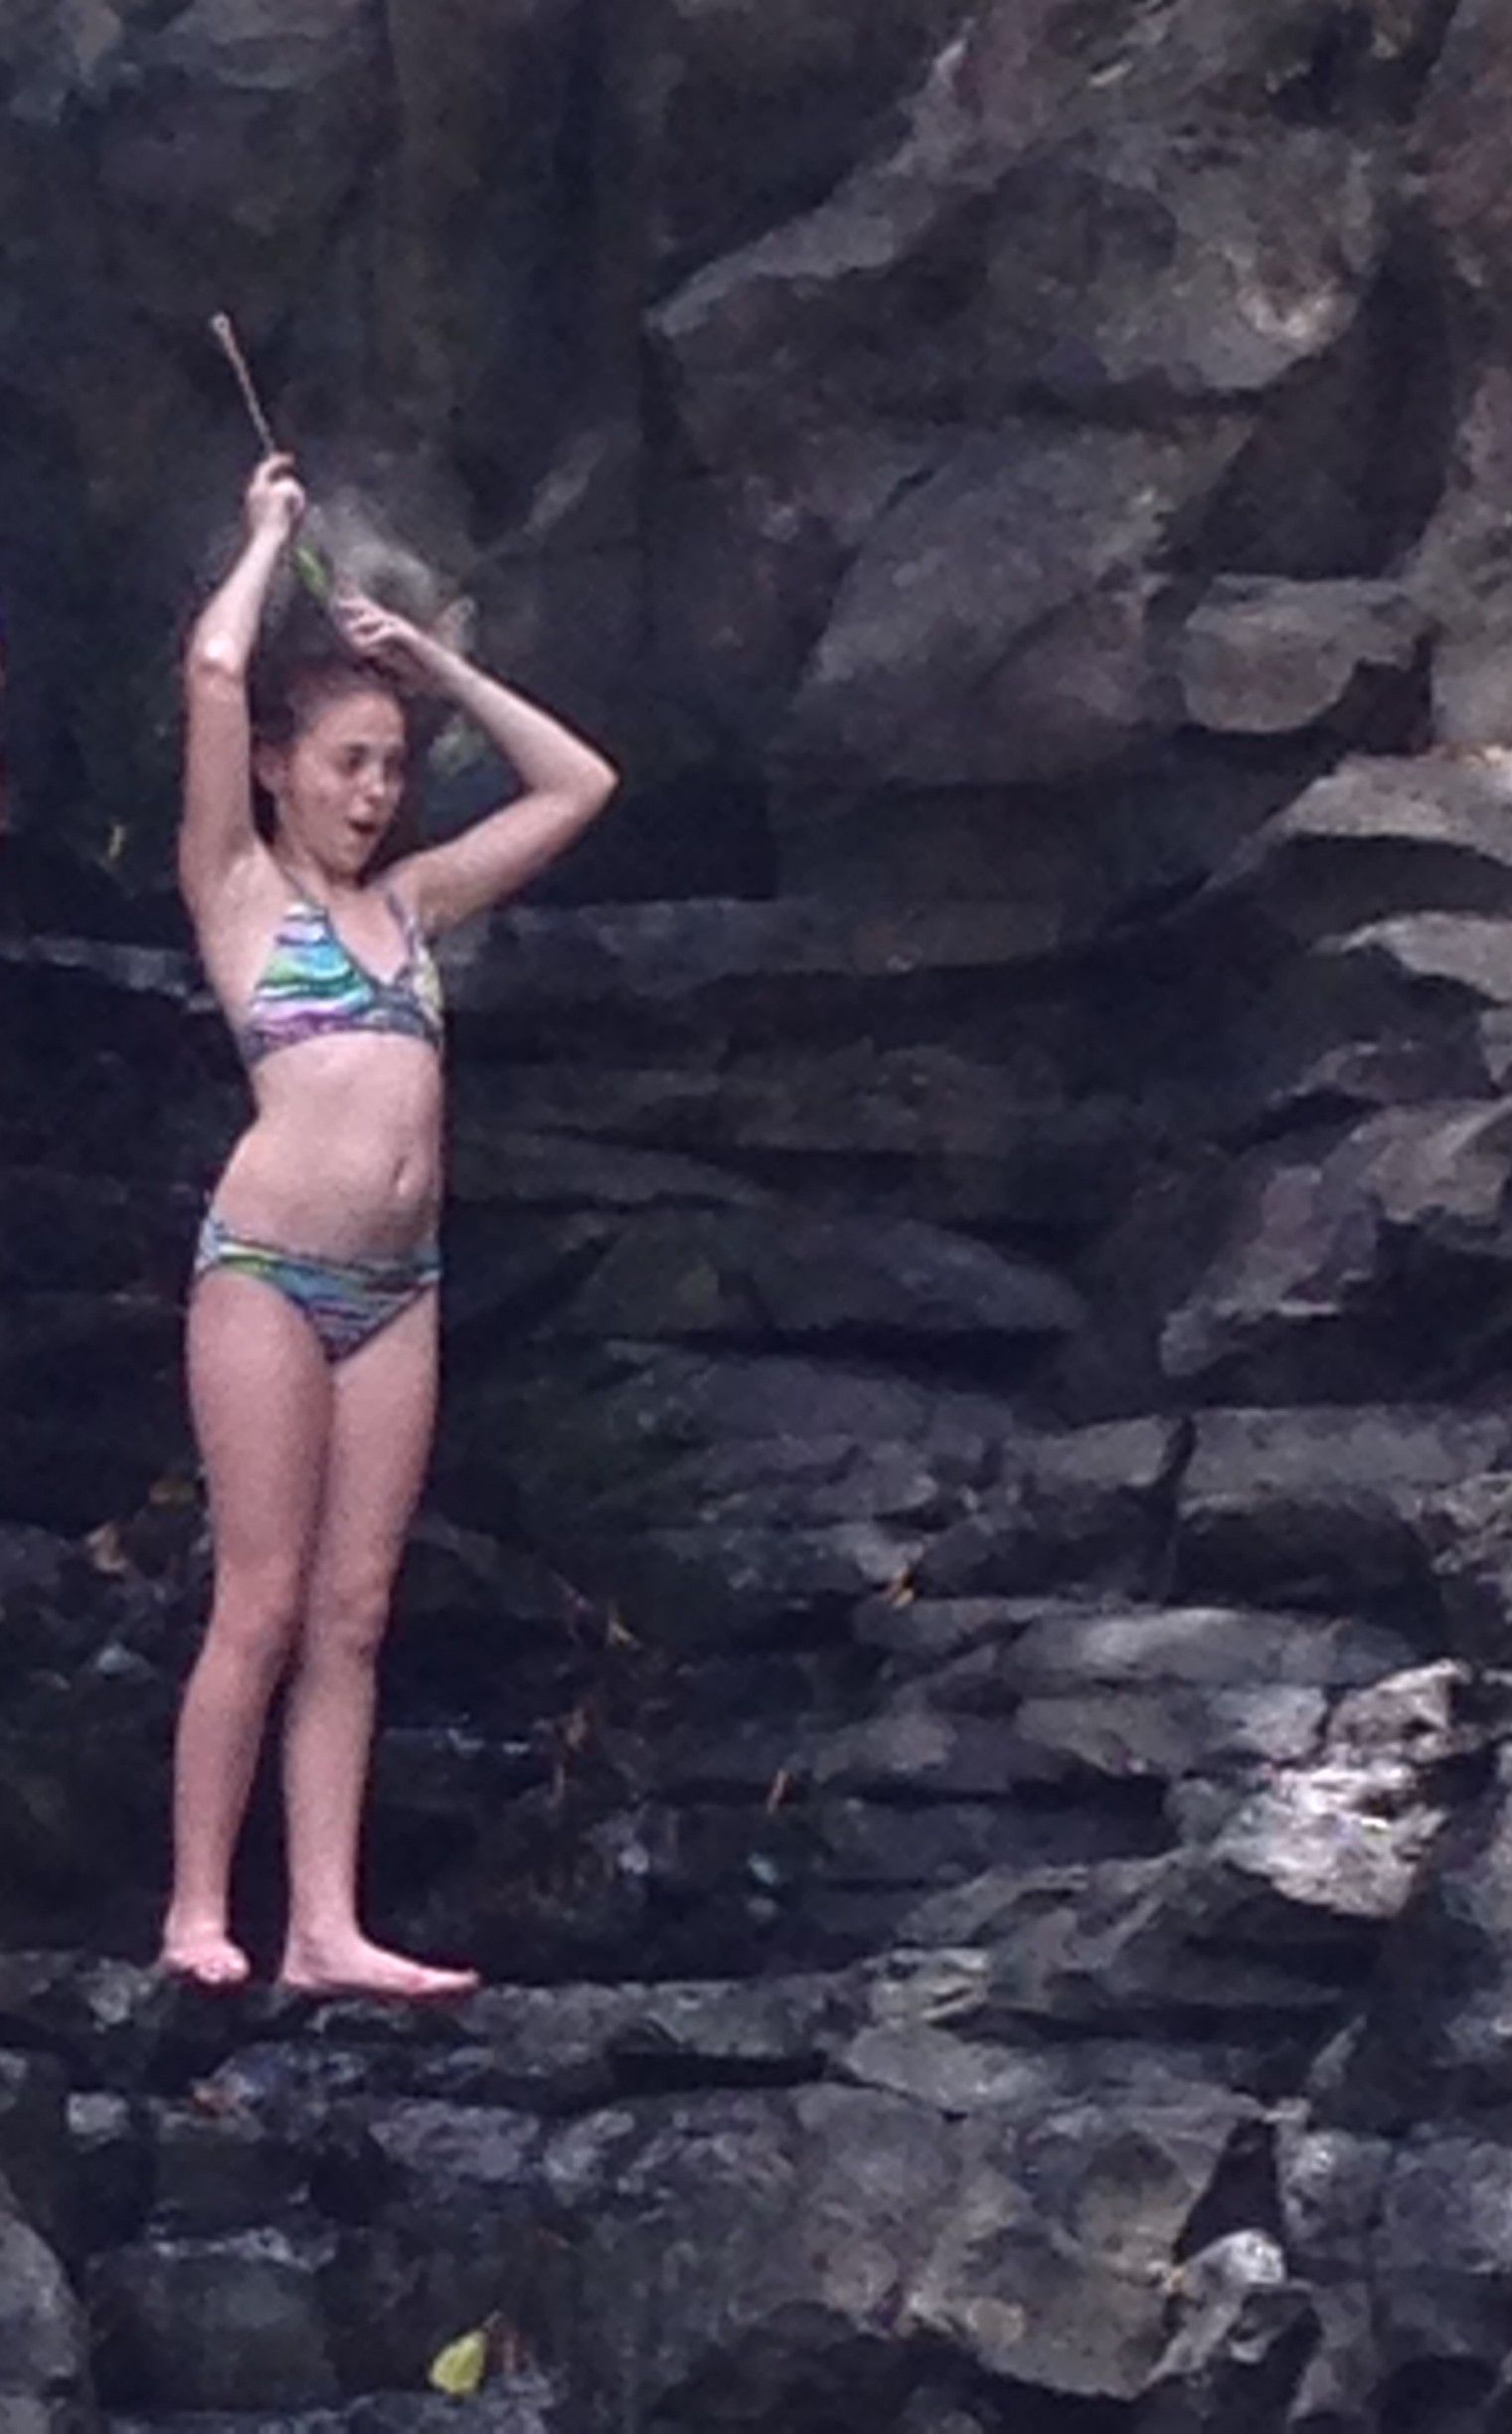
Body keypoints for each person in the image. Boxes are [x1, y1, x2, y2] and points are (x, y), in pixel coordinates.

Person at [163, 452, 617, 1996]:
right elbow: (219, 666)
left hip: (397, 1288)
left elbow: (580, 787)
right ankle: (195, 1916)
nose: (371, 794)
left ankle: (324, 1929)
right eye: (346, 762)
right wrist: (268, 535)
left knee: (355, 1613)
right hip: (271, 1276)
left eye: (387, 769)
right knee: (263, 1597)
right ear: (282, 769)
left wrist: (434, 666)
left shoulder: (412, 908)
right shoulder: (236, 890)